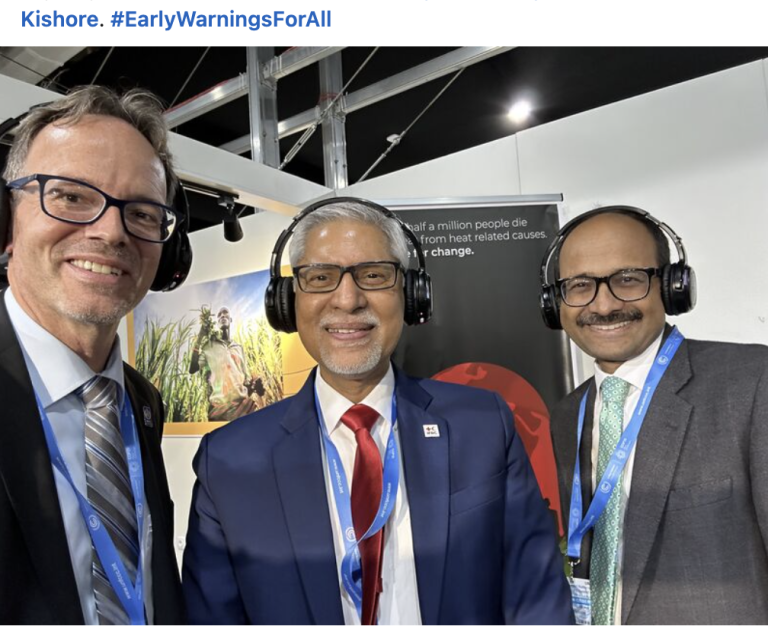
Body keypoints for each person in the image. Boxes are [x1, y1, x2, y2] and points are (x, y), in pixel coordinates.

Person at [183, 198, 573, 625]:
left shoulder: (482, 426)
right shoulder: (230, 459)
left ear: (410, 294)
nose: (347, 300)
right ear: (287, 301)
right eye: (320, 277)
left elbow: (536, 596)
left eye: (373, 275)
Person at [0, 87, 188, 624]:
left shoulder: (140, 400)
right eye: (71, 196)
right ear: (6, 220)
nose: (110, 232)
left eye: (144, 212)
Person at [543, 207, 768, 625]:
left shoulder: (753, 382)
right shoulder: (567, 415)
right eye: (580, 285)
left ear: (671, 286)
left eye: (628, 279)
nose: (604, 304)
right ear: (554, 303)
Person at [189, 306, 265, 420]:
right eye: (219, 315)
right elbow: (192, 368)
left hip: (243, 409)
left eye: (225, 314)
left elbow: (245, 379)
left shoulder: (238, 347)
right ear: (216, 322)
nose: (222, 316)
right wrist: (200, 337)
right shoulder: (208, 347)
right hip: (220, 412)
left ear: (230, 319)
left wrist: (256, 385)